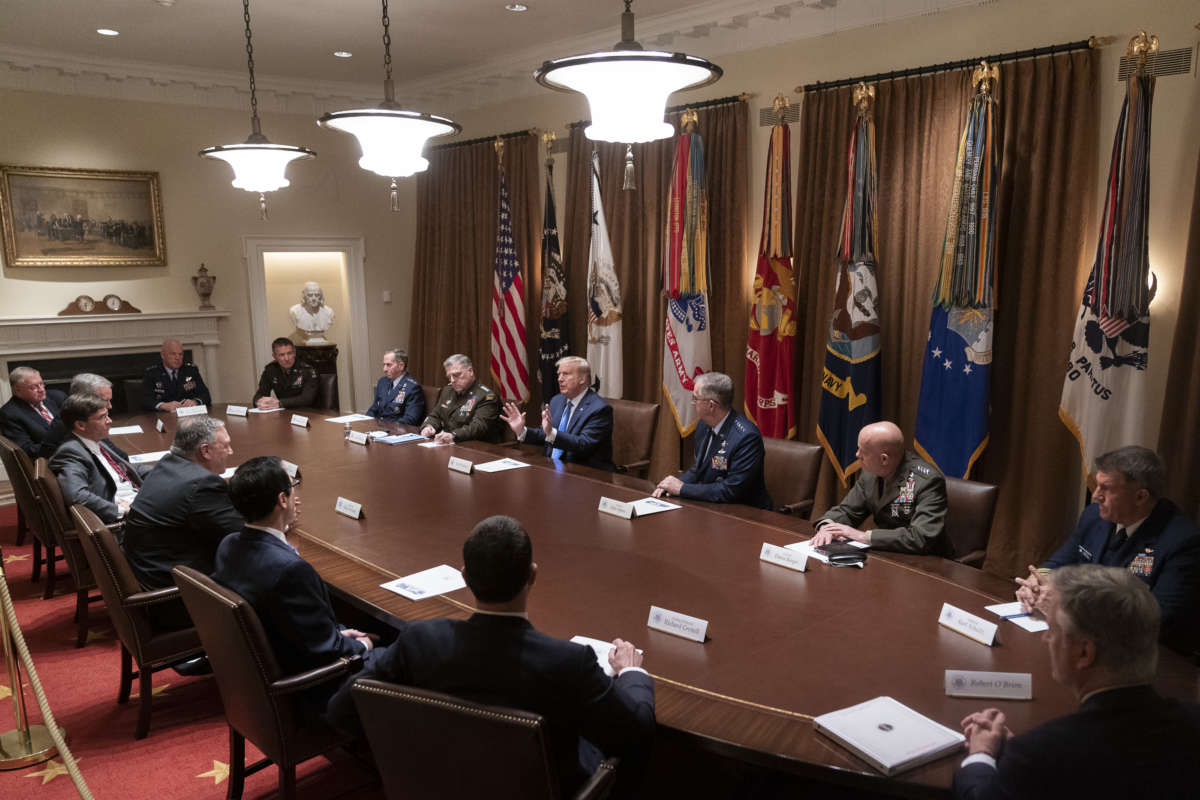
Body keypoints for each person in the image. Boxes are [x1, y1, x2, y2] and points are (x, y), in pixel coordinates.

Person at [327, 515, 654, 797]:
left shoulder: (421, 641)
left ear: (464, 576)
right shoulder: (568, 663)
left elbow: (341, 709)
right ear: (533, 576)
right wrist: (631, 674)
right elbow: (635, 733)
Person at [954, 564, 1200, 799]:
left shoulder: (1040, 755)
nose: (1046, 639)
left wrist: (982, 754)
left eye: (1053, 630)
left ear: (1084, 653)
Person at [211, 456, 374, 711]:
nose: (296, 492)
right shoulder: (289, 569)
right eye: (292, 486)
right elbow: (326, 651)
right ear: (282, 499)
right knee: (407, 650)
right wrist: (362, 644)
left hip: (264, 667)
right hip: (309, 687)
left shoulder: (228, 544)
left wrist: (335, 633)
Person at [1015, 446, 1200, 654]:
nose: (1095, 496)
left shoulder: (1182, 541)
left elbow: (1157, 620)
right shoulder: (1094, 516)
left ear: (1140, 497)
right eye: (1097, 486)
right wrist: (1036, 583)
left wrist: (1068, 608)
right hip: (1086, 644)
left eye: (1106, 488)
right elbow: (1061, 561)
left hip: (1142, 657)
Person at [122, 417, 243, 629]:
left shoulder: (167, 464)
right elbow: (245, 534)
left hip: (154, 578)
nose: (231, 452)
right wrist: (280, 516)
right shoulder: (201, 484)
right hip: (180, 600)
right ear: (205, 451)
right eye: (226, 446)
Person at [809, 421, 948, 554]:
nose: (857, 455)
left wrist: (863, 536)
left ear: (884, 459)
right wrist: (827, 527)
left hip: (927, 563)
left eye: (863, 451)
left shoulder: (928, 482)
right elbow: (847, 511)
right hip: (887, 553)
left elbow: (920, 537)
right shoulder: (870, 472)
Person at [653, 372, 772, 508]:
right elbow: (698, 470)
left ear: (711, 406)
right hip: (713, 506)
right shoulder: (704, 425)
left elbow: (731, 490)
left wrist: (682, 489)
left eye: (695, 398)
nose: (693, 403)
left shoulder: (746, 437)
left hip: (746, 513)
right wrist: (671, 485)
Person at [500, 356, 614, 470]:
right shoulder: (557, 400)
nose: (560, 379)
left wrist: (551, 432)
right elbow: (545, 434)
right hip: (551, 468)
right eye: (559, 374)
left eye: (565, 374)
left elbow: (584, 445)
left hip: (586, 473)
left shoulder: (599, 409)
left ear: (582, 379)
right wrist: (522, 430)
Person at [49, 393, 147, 524]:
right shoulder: (71, 452)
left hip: (136, 497)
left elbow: (123, 468)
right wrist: (118, 510)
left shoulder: (96, 440)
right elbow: (76, 495)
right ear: (81, 425)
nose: (109, 421)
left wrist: (161, 470)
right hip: (127, 517)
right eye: (102, 417)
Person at [419, 354, 503, 444]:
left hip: (474, 447)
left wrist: (453, 435)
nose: (452, 380)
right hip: (446, 443)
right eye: (449, 377)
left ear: (470, 371)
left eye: (456, 375)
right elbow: (436, 415)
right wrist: (429, 426)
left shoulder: (486, 396)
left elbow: (478, 427)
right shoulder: (447, 391)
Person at [37, 373, 115, 458]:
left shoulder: (82, 416)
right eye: (105, 400)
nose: (110, 406)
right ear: (84, 398)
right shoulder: (67, 423)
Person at [1, 366, 66, 458]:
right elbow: (27, 451)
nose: (41, 389)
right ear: (17, 391)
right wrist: (63, 445)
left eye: (41, 384)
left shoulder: (58, 397)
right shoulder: (10, 414)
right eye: (34, 387)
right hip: (50, 462)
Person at [142, 338, 211, 412]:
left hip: (188, 416)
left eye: (180, 354)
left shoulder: (191, 370)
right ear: (163, 355)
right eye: (173, 354)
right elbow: (145, 400)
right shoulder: (152, 373)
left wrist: (195, 402)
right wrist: (163, 405)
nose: (177, 358)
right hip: (163, 417)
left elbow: (205, 395)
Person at [253, 337, 317, 410]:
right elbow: (261, 392)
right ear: (274, 356)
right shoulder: (271, 370)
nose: (286, 358)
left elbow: (307, 399)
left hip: (306, 413)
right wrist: (259, 402)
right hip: (283, 412)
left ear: (294, 353)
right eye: (281, 355)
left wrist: (280, 403)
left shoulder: (307, 370)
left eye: (289, 353)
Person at [365, 348, 425, 425]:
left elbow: (410, 419)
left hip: (396, 431)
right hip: (378, 429)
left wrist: (386, 429)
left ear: (401, 366)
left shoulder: (412, 388)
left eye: (388, 365)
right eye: (384, 365)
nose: (384, 369)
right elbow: (374, 409)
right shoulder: (382, 382)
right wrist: (365, 423)